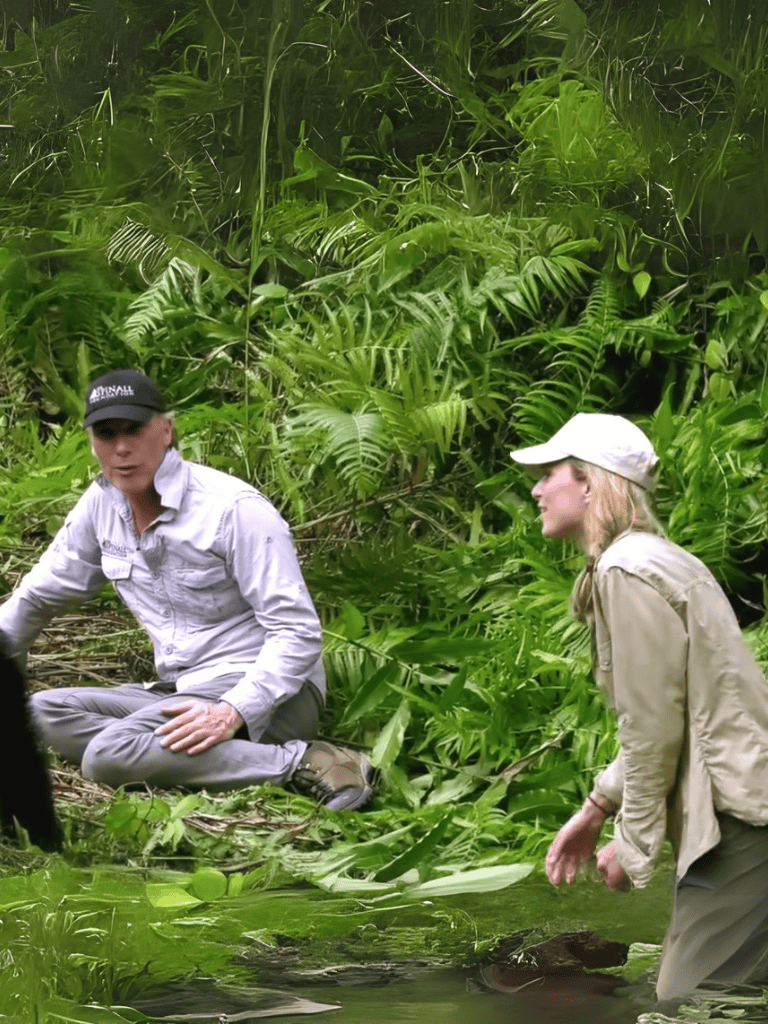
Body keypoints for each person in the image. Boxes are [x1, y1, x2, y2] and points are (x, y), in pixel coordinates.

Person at [0, 369, 373, 811]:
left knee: (106, 757)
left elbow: (297, 633)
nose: (121, 448)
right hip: (182, 689)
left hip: (268, 691)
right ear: (92, 441)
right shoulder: (101, 505)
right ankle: (165, 751)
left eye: (134, 430)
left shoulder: (233, 509)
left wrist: (234, 709)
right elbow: (37, 596)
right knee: (37, 712)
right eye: (106, 433)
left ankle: (308, 759)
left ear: (166, 430)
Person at [510, 412, 768, 1006]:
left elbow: (653, 727)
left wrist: (634, 844)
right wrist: (600, 806)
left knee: (688, 1007)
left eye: (551, 473)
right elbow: (681, 712)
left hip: (742, 820)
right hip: (745, 804)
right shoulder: (654, 559)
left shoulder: (628, 570)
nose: (537, 489)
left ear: (592, 483)